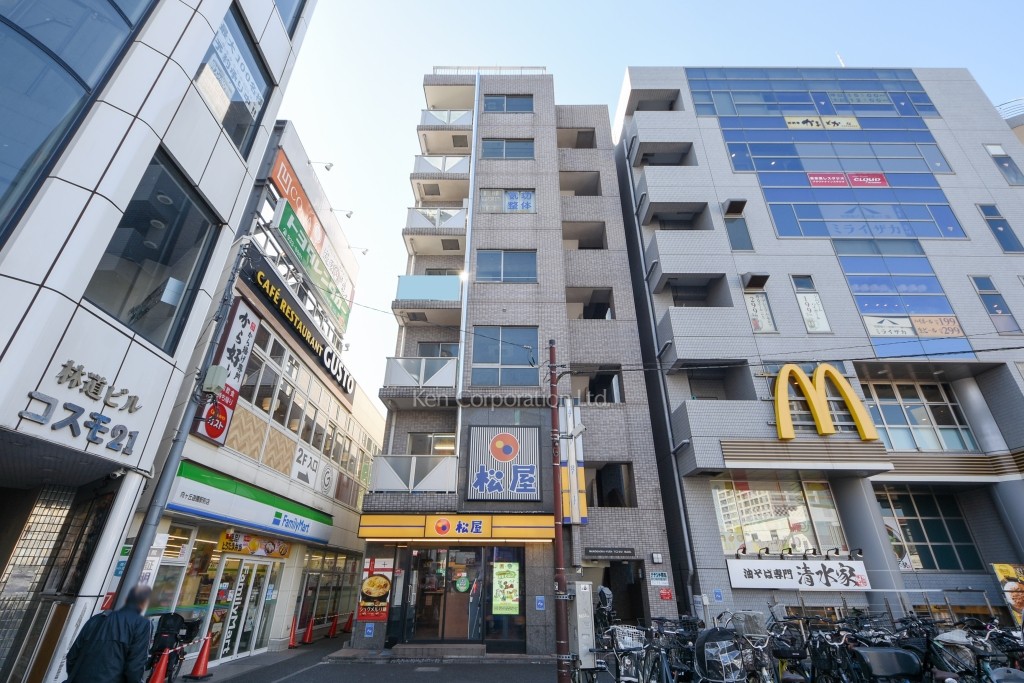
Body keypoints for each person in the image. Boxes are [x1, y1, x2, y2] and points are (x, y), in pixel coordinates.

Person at [66, 584, 153, 683]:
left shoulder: (96, 619)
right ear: (145, 603)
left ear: (126, 600)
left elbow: (72, 656)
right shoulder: (142, 624)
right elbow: (135, 667)